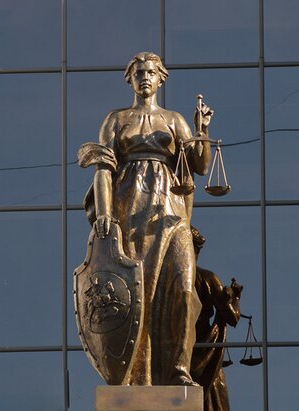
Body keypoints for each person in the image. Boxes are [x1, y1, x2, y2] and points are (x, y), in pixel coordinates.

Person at [78, 51, 213, 385]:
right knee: (139, 293)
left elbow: (200, 165)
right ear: (131, 80)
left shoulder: (174, 120)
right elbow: (103, 169)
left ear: (160, 79)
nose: (145, 78)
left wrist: (202, 131)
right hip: (130, 210)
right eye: (139, 73)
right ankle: (135, 375)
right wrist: (105, 214)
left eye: (151, 73)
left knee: (183, 289)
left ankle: (179, 368)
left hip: (171, 214)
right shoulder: (116, 119)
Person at [189, 226, 243, 411]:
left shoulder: (167, 280)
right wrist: (235, 298)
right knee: (212, 400)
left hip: (179, 350)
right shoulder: (207, 278)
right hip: (204, 350)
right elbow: (232, 317)